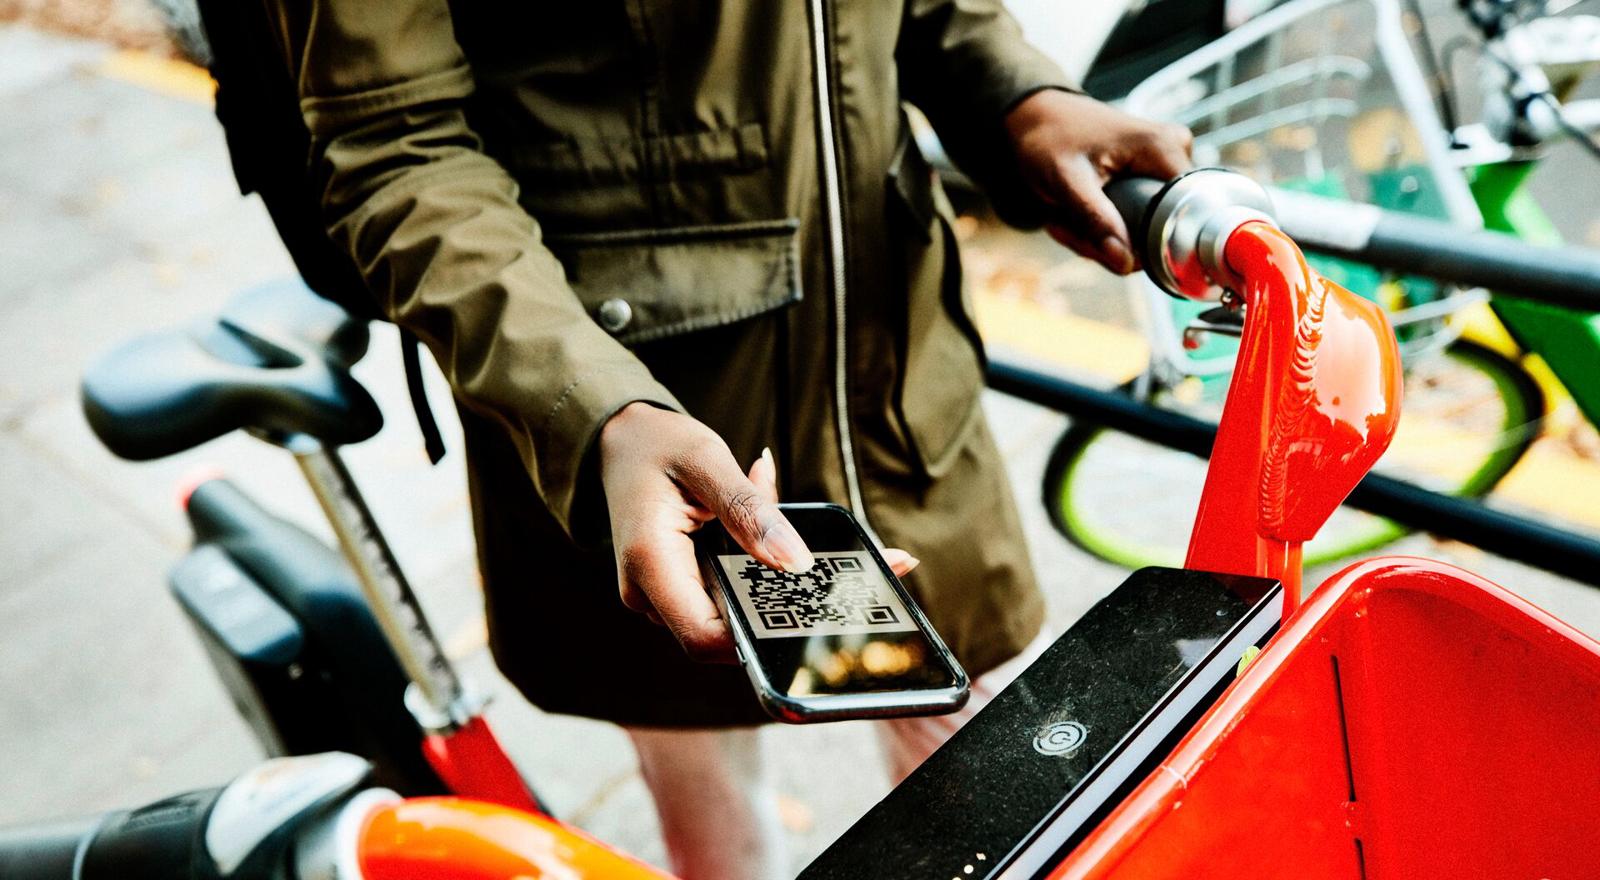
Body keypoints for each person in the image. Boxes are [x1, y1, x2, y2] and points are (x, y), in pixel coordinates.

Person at [264, 2, 1191, 877]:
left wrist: (1020, 96)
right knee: (709, 813)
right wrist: (595, 410)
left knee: (995, 791)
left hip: (895, 369)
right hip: (645, 410)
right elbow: (394, 144)